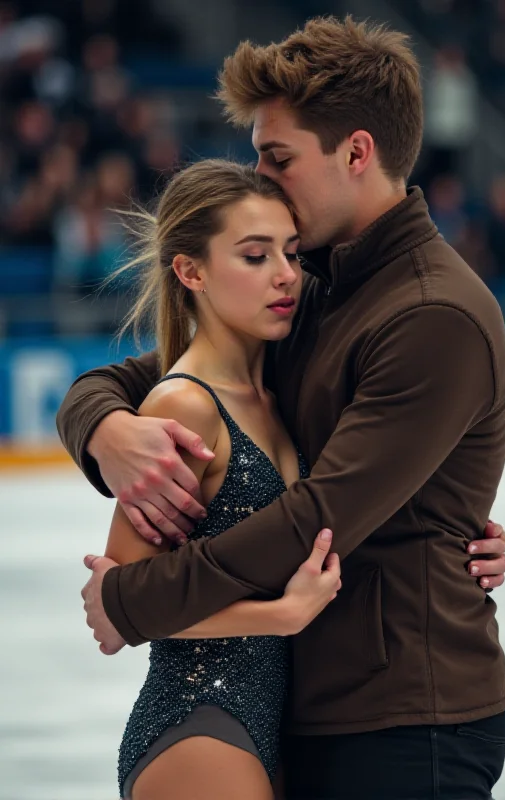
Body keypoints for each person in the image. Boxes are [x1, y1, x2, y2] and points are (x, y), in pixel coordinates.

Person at [66, 17, 505, 800]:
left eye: (278, 158)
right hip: (304, 709)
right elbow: (134, 378)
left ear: (356, 153)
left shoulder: (431, 314)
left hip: (408, 717)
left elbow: (319, 518)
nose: (263, 180)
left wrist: (133, 601)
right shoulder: (310, 290)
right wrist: (105, 430)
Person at [95, 158, 343, 799]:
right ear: (191, 271)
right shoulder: (185, 406)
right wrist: (282, 616)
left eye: (290, 253)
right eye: (255, 256)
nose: (287, 275)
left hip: (269, 723)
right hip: (200, 721)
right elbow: (122, 606)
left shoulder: (274, 393)